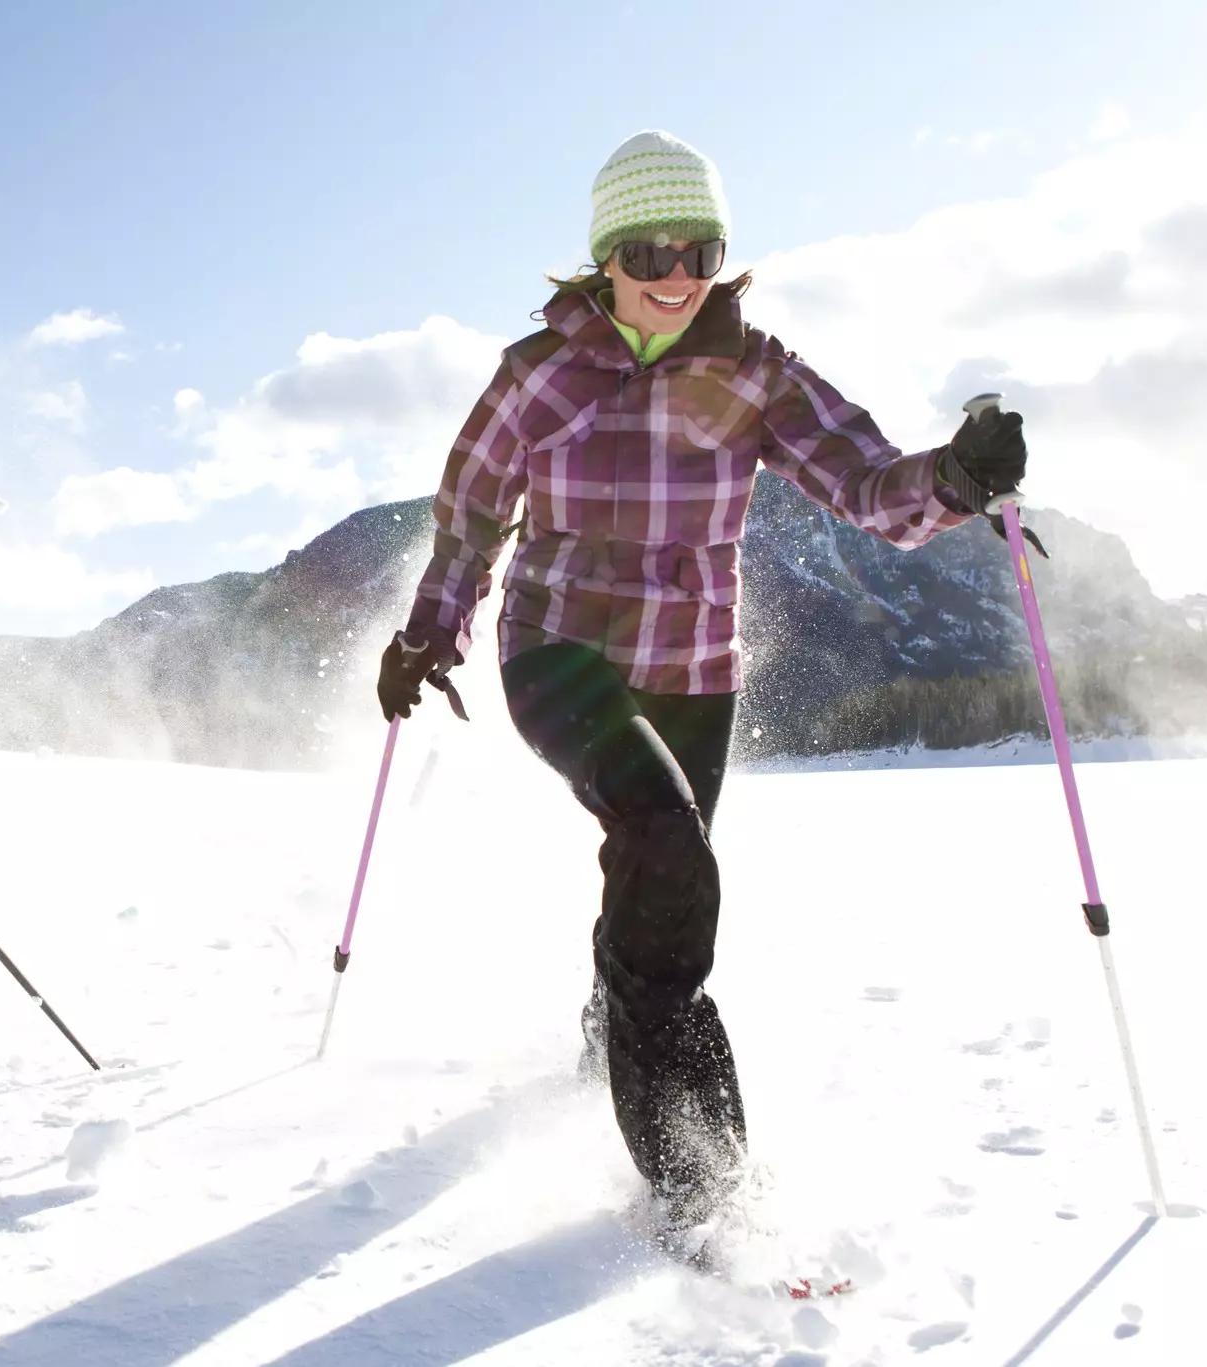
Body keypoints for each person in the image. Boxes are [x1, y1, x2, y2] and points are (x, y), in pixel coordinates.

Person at [377, 132, 1027, 1239]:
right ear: (602, 257)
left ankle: (612, 1029)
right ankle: (701, 1182)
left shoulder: (754, 367)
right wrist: (429, 630)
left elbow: (867, 484)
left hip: (693, 668)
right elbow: (471, 515)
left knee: (652, 876)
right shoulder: (537, 372)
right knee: (668, 849)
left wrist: (955, 478)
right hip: (560, 647)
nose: (675, 273)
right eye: (648, 249)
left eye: (700, 249)